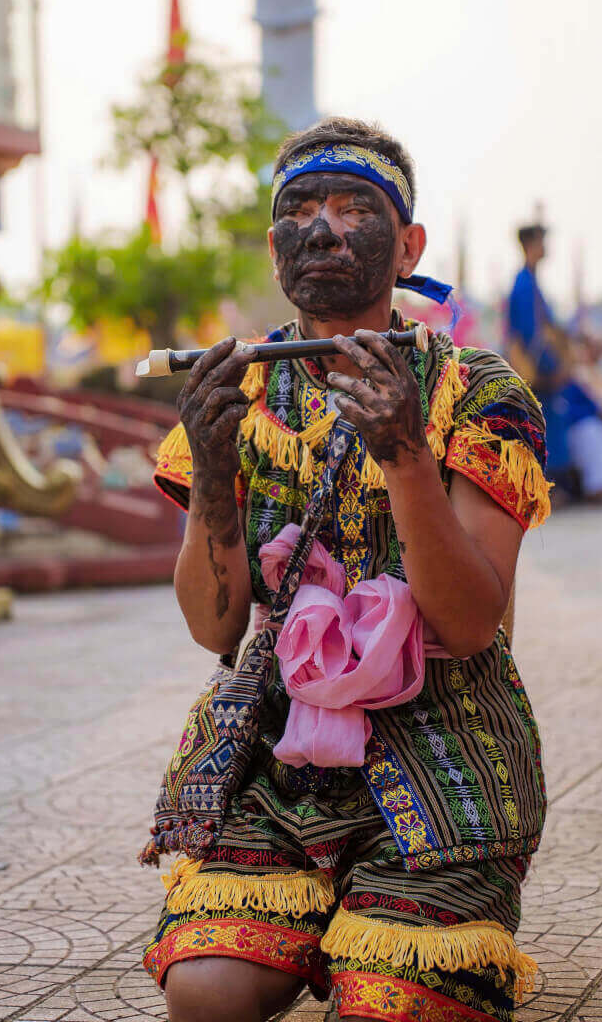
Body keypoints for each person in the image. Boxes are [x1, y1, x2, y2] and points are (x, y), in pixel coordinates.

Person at [143, 117, 550, 1022]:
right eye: (299, 211)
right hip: (278, 757)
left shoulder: (476, 392)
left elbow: (469, 625)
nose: (322, 229)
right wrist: (211, 469)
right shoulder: (241, 390)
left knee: (388, 1007)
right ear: (275, 247)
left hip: (444, 753)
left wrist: (405, 455)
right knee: (205, 996)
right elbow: (214, 628)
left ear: (409, 248)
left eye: (354, 209)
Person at [508, 220, 602, 500]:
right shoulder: (524, 285)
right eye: (541, 242)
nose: (545, 247)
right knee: (542, 428)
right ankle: (545, 491)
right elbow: (531, 334)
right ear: (531, 245)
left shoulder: (531, 282)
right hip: (539, 375)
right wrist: (551, 368)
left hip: (544, 374)